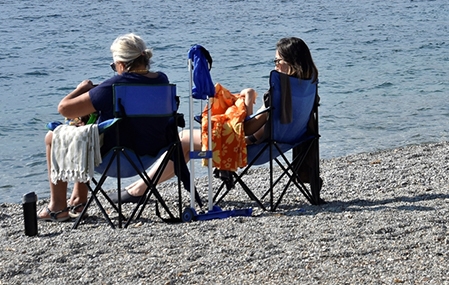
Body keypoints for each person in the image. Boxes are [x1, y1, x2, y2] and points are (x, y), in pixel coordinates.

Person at [116, 37, 318, 203]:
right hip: (283, 144)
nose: (276, 66)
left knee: (183, 139)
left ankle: (138, 190)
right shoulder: (305, 88)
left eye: (277, 61)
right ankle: (138, 189)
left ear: (291, 64)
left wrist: (248, 100)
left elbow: (247, 131)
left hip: (248, 149)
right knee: (185, 147)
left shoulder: (280, 93)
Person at [38, 33, 167, 222]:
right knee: (84, 128)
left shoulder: (114, 86)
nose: (115, 69)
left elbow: (64, 109)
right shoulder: (162, 81)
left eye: (114, 66)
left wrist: (81, 89)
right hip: (150, 157)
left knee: (54, 136)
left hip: (115, 159)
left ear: (121, 64)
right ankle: (79, 199)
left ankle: (57, 207)